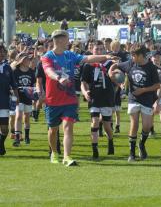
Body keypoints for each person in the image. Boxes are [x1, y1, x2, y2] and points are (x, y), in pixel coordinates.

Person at [42, 30, 118, 166]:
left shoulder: (69, 55)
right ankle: (54, 152)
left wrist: (105, 56)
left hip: (70, 99)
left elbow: (87, 59)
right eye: (67, 39)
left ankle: (67, 156)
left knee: (68, 127)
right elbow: (48, 71)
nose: (69, 42)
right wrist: (59, 78)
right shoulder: (47, 56)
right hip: (53, 100)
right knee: (53, 130)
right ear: (59, 41)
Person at [109, 44, 160, 162]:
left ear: (141, 55)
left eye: (134, 55)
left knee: (147, 126)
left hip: (147, 99)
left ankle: (141, 144)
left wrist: (143, 90)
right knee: (134, 123)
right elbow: (116, 65)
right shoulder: (130, 63)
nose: (132, 57)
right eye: (131, 55)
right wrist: (111, 72)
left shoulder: (151, 67)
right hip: (133, 99)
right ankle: (131, 153)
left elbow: (157, 85)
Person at [81, 41, 115, 160]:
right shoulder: (87, 65)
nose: (99, 51)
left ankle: (110, 140)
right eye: (97, 49)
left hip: (106, 97)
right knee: (94, 122)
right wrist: (85, 92)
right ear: (92, 50)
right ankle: (95, 150)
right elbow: (83, 82)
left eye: (101, 49)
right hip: (94, 97)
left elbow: (117, 77)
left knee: (107, 126)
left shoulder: (110, 63)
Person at [12, 52, 36, 146]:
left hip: (28, 98)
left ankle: (26, 136)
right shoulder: (15, 71)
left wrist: (34, 92)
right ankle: (17, 138)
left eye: (29, 59)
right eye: (26, 59)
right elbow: (12, 84)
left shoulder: (31, 71)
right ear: (21, 60)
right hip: (18, 97)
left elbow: (33, 84)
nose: (28, 61)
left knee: (26, 118)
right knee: (18, 116)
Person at [0, 44, 19, 156]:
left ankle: (1, 143)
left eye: (3, 52)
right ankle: (1, 147)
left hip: (4, 102)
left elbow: (14, 84)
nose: (2, 54)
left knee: (5, 129)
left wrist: (16, 97)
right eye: (0, 52)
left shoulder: (7, 67)